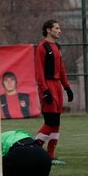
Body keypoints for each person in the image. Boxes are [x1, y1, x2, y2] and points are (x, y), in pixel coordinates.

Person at [34, 19, 73, 165]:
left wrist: (67, 87)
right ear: (48, 30)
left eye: (59, 28)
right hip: (48, 86)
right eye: (56, 28)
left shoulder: (57, 46)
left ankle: (50, 156)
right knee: (50, 122)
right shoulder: (42, 47)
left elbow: (61, 69)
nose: (59, 31)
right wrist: (45, 90)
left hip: (57, 87)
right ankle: (33, 150)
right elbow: (39, 72)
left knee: (56, 123)